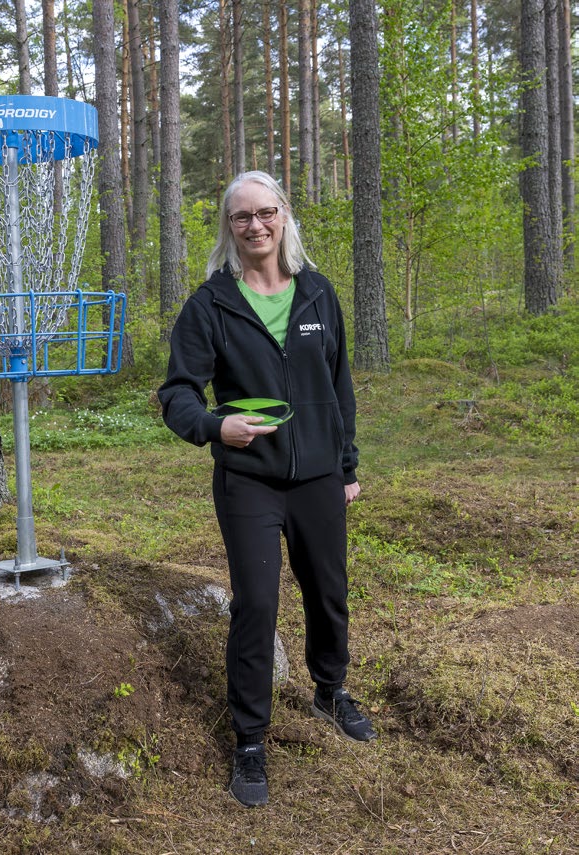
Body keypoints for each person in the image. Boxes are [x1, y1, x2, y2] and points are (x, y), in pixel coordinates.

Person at [158, 171, 376, 808]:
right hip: (249, 478)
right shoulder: (210, 304)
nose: (255, 226)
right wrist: (212, 426)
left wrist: (347, 466)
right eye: (241, 217)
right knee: (256, 603)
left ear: (285, 217)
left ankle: (329, 689)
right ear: (229, 229)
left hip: (315, 477)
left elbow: (340, 387)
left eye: (265, 213)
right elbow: (176, 393)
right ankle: (250, 738)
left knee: (328, 590)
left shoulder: (318, 293)